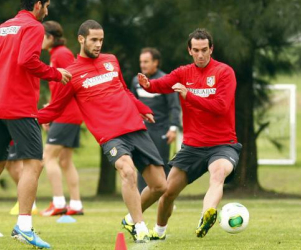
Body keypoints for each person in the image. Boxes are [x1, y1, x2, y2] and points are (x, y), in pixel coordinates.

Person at [37, 20, 167, 243]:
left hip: (134, 127)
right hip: (110, 135)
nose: (98, 44)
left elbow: (125, 90)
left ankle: (130, 218)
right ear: (81, 39)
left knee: (160, 186)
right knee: (126, 170)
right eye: (94, 40)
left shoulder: (111, 60)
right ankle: (140, 227)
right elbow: (56, 107)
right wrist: (27, 120)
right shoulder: (71, 73)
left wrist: (142, 108)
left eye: (101, 40)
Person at [0, 0, 71, 248]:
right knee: (34, 163)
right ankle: (24, 228)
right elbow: (27, 60)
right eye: (46, 5)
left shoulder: (1, 28)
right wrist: (56, 74)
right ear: (37, 5)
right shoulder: (33, 27)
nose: (48, 11)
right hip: (20, 107)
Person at [138, 28, 242, 240]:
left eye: (205, 49)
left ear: (211, 49)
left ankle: (207, 215)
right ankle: (159, 232)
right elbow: (161, 84)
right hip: (193, 147)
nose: (201, 54)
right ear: (190, 50)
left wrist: (189, 95)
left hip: (223, 144)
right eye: (196, 50)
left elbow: (221, 107)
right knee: (167, 192)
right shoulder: (184, 73)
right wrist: (148, 85)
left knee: (218, 174)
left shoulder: (224, 72)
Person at [39, 21, 84, 216]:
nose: (38, 40)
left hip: (66, 113)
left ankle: (59, 203)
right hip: (67, 113)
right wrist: (51, 106)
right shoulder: (55, 55)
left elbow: (73, 82)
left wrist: (53, 111)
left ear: (50, 37)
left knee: (48, 157)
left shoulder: (62, 54)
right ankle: (75, 205)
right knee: (65, 161)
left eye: (41, 35)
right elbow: (58, 86)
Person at [131, 47, 181, 192]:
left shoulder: (165, 80)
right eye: (141, 62)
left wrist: (173, 128)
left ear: (156, 62)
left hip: (161, 129)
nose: (143, 65)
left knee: (161, 164)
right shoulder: (136, 81)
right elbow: (132, 103)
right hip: (142, 130)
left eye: (146, 61)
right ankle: (141, 197)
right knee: (141, 163)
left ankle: (165, 198)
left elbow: (174, 106)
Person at [6, 141, 38, 215]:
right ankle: (24, 199)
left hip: (16, 132)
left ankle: (29, 203)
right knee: (8, 163)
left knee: (16, 162)